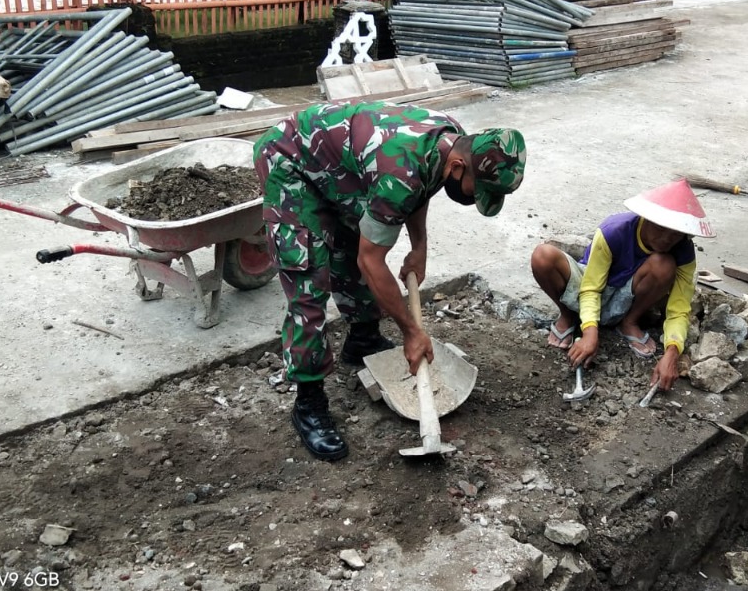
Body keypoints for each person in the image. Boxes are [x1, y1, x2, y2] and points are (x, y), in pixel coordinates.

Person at [253, 101, 526, 461]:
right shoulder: (401, 172)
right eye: (478, 190)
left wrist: (419, 246)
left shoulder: (450, 141)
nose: (476, 198)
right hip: (290, 162)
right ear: (460, 165)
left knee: (351, 248)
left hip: (341, 167)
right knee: (310, 284)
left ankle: (362, 340)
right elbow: (374, 260)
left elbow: (422, 186)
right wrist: (411, 331)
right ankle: (309, 403)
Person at [530, 178, 714, 392]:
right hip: (591, 284)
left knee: (663, 264)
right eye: (661, 229)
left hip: (627, 296)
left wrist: (672, 353)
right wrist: (590, 332)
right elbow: (591, 288)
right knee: (542, 256)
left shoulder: (683, 250)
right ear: (646, 219)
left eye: (676, 233)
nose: (667, 239)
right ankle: (569, 315)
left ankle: (629, 322)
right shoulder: (614, 230)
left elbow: (679, 310)